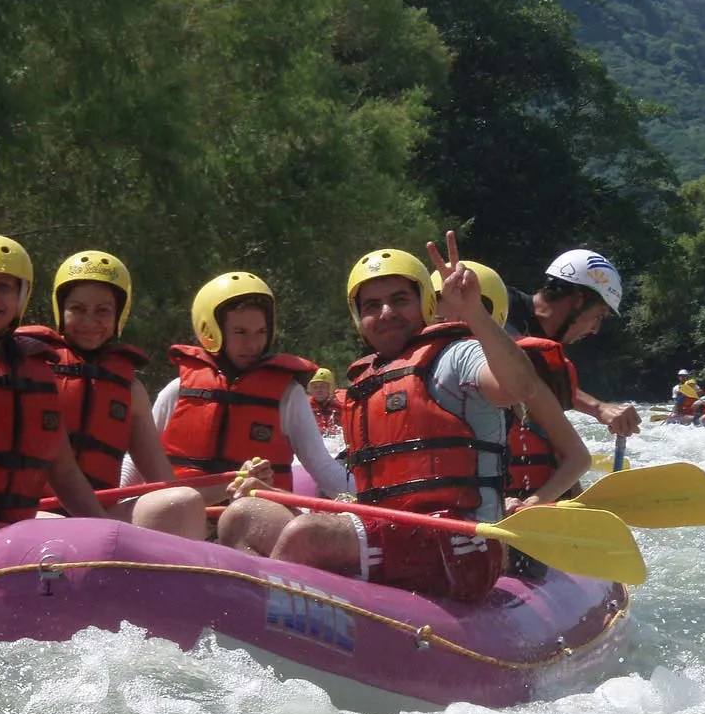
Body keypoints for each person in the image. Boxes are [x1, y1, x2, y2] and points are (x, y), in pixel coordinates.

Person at [252, 234, 589, 602]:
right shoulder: (368, 380)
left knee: (306, 537)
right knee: (247, 514)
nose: (385, 313)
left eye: (400, 300)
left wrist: (475, 312)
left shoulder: (457, 356)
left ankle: (264, 633)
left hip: (459, 545)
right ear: (358, 317)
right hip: (391, 531)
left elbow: (520, 386)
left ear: (425, 304)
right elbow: (360, 485)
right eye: (372, 305)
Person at [146, 271, 353, 548]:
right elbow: (136, 462)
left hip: (253, 525)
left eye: (261, 332)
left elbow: (324, 469)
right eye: (240, 332)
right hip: (187, 523)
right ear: (211, 331)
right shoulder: (177, 390)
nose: (253, 344)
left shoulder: (288, 395)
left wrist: (375, 498)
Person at [0, 235, 105, 534]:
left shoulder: (36, 368)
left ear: (21, 296)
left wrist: (107, 533)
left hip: (10, 537)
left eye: (3, 287)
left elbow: (64, 473)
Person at [29, 250, 206, 538]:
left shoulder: (130, 390)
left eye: (102, 311)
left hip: (103, 515)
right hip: (36, 512)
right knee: (65, 529)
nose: (89, 321)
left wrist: (211, 499)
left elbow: (162, 481)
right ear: (60, 309)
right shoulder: (35, 370)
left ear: (118, 315)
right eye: (77, 309)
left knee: (182, 502)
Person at [433, 260, 594, 509]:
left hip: (506, 507)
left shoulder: (516, 381)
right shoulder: (413, 373)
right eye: (439, 314)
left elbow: (578, 457)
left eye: (464, 311)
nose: (447, 322)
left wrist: (531, 503)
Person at [503, 249, 640, 438]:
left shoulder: (545, 345)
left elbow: (546, 381)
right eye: (599, 316)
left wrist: (599, 408)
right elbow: (520, 370)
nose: (595, 329)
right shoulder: (502, 304)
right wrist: (597, 408)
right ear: (578, 302)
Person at [307, 367, 343, 436]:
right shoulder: (305, 407)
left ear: (330, 388)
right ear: (310, 389)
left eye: (323, 387)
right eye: (315, 387)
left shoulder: (339, 407)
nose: (319, 390)